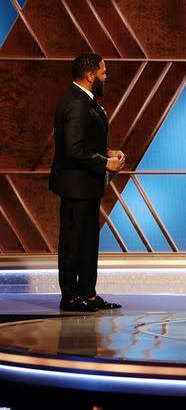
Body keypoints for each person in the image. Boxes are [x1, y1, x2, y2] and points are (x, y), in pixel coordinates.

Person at [50, 53, 125, 312]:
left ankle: (88, 293)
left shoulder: (85, 100)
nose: (106, 76)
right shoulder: (75, 103)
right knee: (73, 243)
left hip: (87, 186)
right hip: (75, 186)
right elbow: (72, 148)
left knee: (87, 243)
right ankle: (70, 297)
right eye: (103, 72)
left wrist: (108, 152)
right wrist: (104, 162)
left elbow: (85, 142)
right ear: (90, 75)